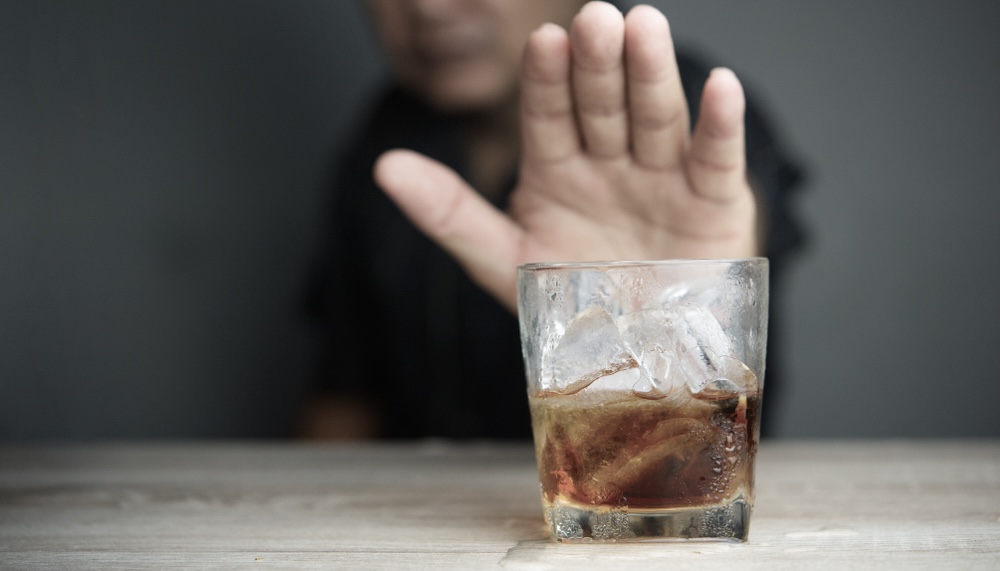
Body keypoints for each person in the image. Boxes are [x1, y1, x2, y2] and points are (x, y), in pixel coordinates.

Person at [301, 0, 804, 439]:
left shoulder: (685, 108)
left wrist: (683, 301)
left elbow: (742, 240)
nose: (427, 5)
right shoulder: (386, 129)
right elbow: (346, 384)